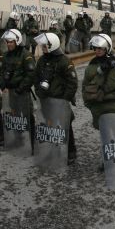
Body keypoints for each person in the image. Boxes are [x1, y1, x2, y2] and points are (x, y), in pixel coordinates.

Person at [82, 34, 115, 169]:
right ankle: (108, 161)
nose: (97, 51)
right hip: (99, 108)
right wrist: (90, 106)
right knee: (106, 136)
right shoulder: (91, 67)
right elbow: (85, 88)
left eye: (101, 48)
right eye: (96, 48)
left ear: (107, 49)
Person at [34, 32, 78, 164]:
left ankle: (71, 151)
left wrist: (64, 100)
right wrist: (38, 91)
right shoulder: (42, 60)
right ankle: (53, 150)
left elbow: (72, 83)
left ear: (52, 45)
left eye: (45, 46)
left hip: (60, 101)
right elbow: (36, 77)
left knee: (65, 126)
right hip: (46, 101)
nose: (43, 48)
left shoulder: (65, 61)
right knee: (50, 127)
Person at [0, 29, 36, 151]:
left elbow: (31, 75)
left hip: (23, 93)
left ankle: (33, 142)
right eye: (7, 42)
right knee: (14, 116)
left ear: (17, 41)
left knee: (27, 116)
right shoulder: (5, 56)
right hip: (10, 92)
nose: (8, 44)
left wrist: (20, 89)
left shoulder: (26, 55)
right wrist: (2, 85)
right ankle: (17, 138)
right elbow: (1, 71)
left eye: (11, 42)